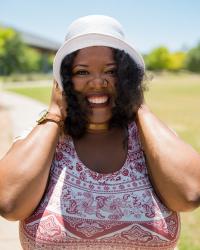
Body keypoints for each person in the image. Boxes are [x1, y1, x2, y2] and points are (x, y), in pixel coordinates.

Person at [0, 15, 200, 250]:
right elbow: (10, 205)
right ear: (63, 82)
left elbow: (189, 195)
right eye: (82, 72)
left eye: (112, 71)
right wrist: (54, 115)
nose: (97, 82)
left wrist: (139, 107)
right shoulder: (42, 139)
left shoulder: (151, 139)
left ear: (128, 78)